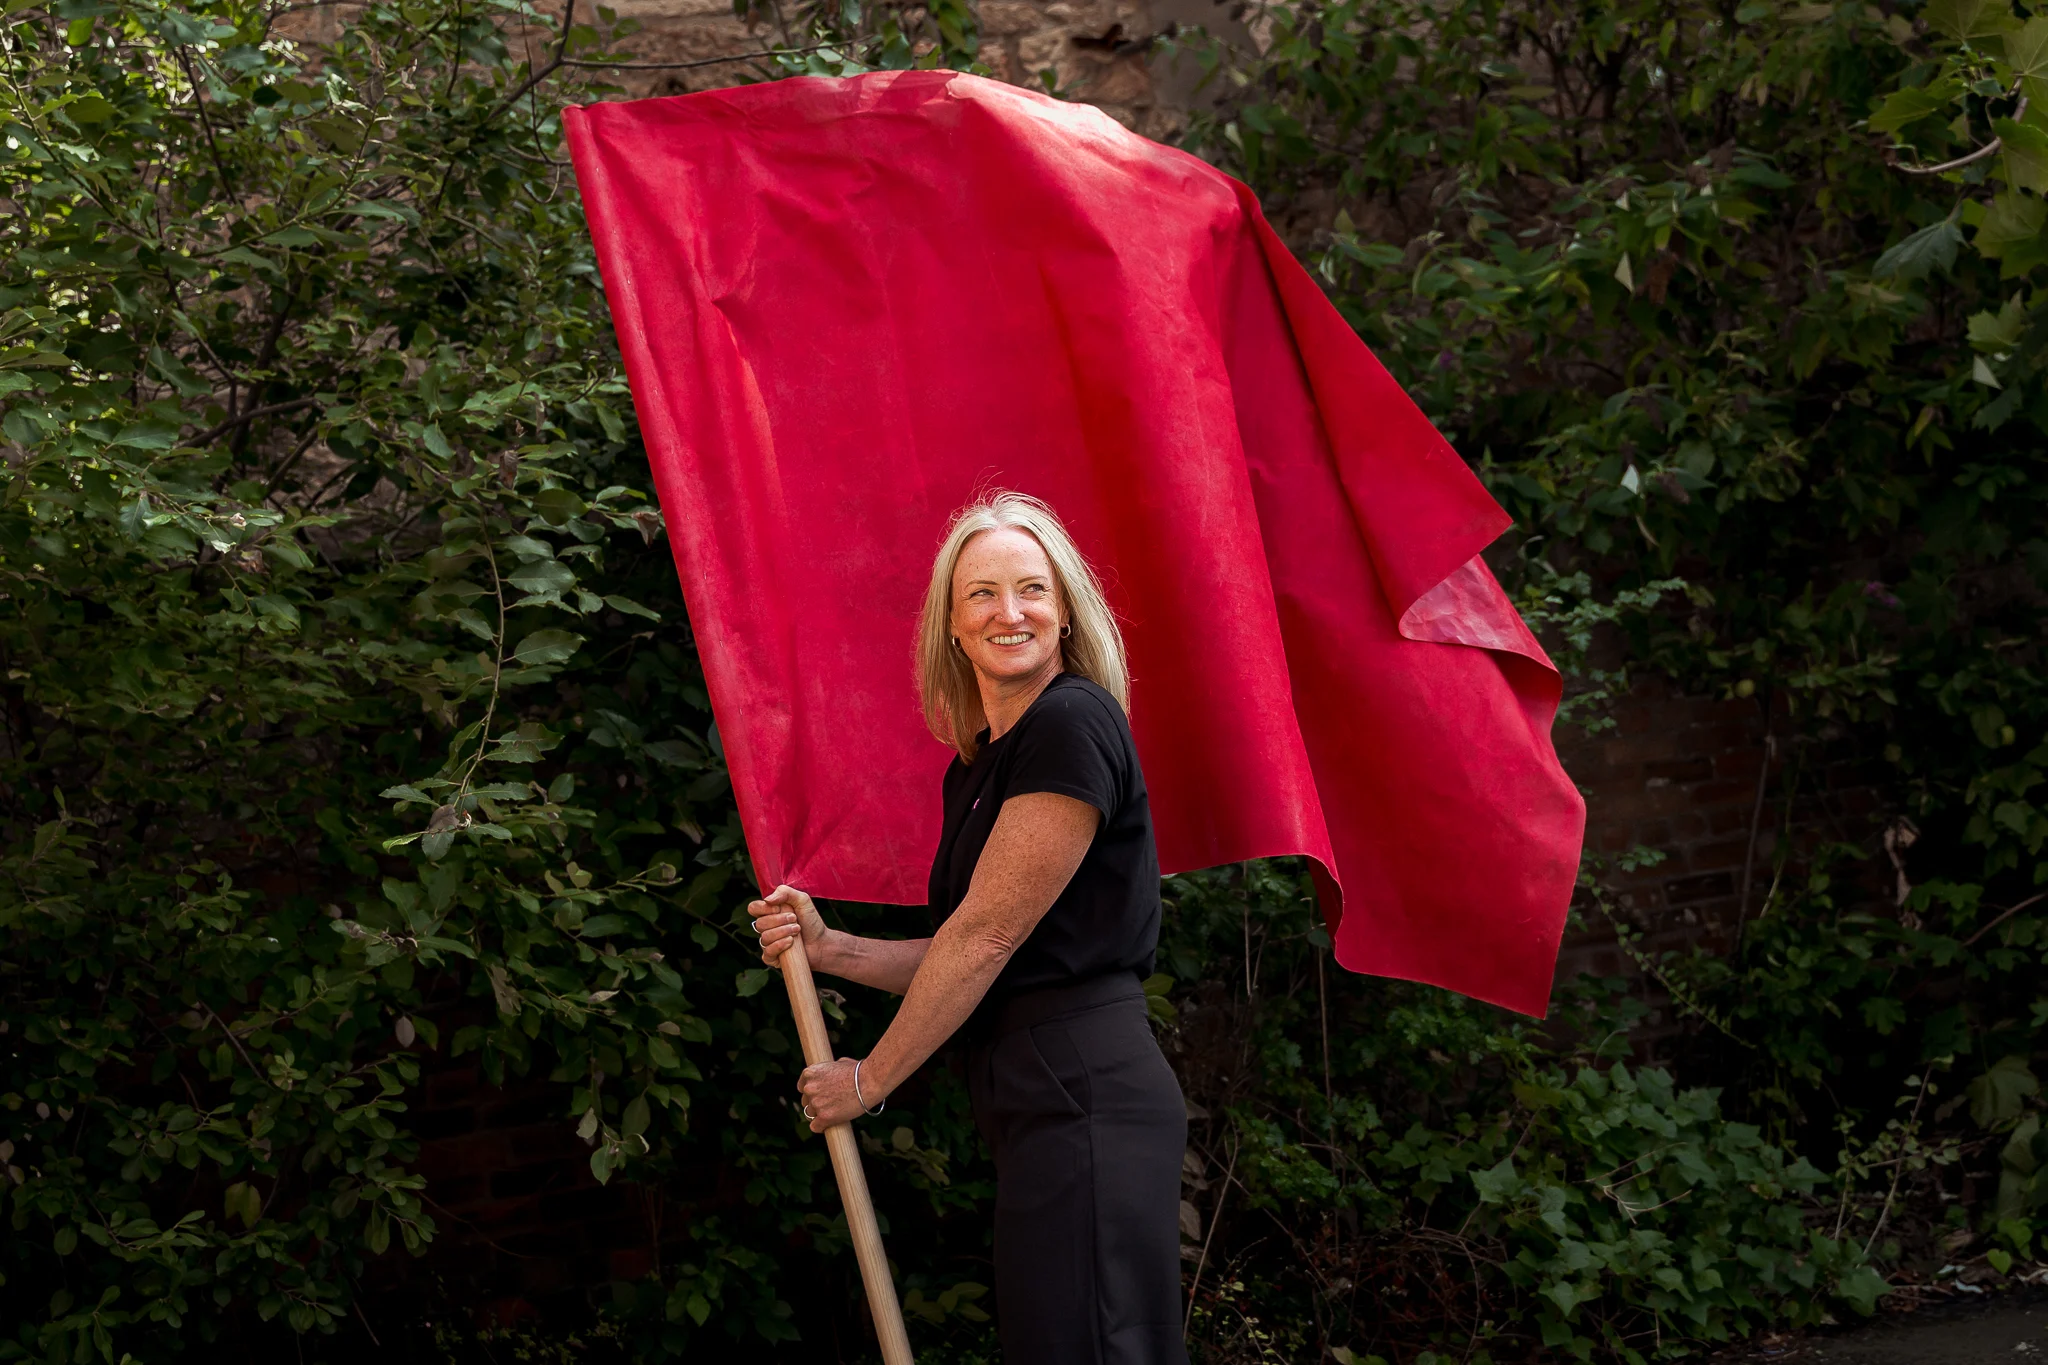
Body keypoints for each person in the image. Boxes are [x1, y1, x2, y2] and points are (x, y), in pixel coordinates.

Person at [748, 491, 1189, 1364]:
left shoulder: (1071, 721)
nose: (1009, 611)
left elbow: (984, 939)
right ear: (951, 624)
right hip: (1038, 1101)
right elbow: (973, 946)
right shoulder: (983, 767)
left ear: (1065, 612)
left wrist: (868, 1079)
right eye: (982, 593)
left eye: (1032, 589)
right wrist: (831, 948)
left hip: (1084, 1090)